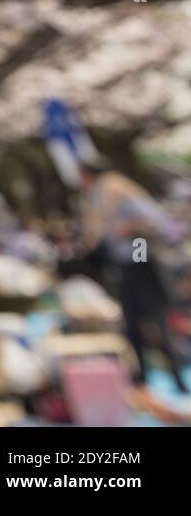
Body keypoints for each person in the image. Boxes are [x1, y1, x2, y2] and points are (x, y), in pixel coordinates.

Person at [80, 159, 188, 393]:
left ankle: (175, 379)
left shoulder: (112, 185)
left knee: (154, 319)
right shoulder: (102, 191)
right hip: (127, 263)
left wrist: (126, 229)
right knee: (133, 321)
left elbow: (154, 221)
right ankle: (143, 380)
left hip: (139, 259)